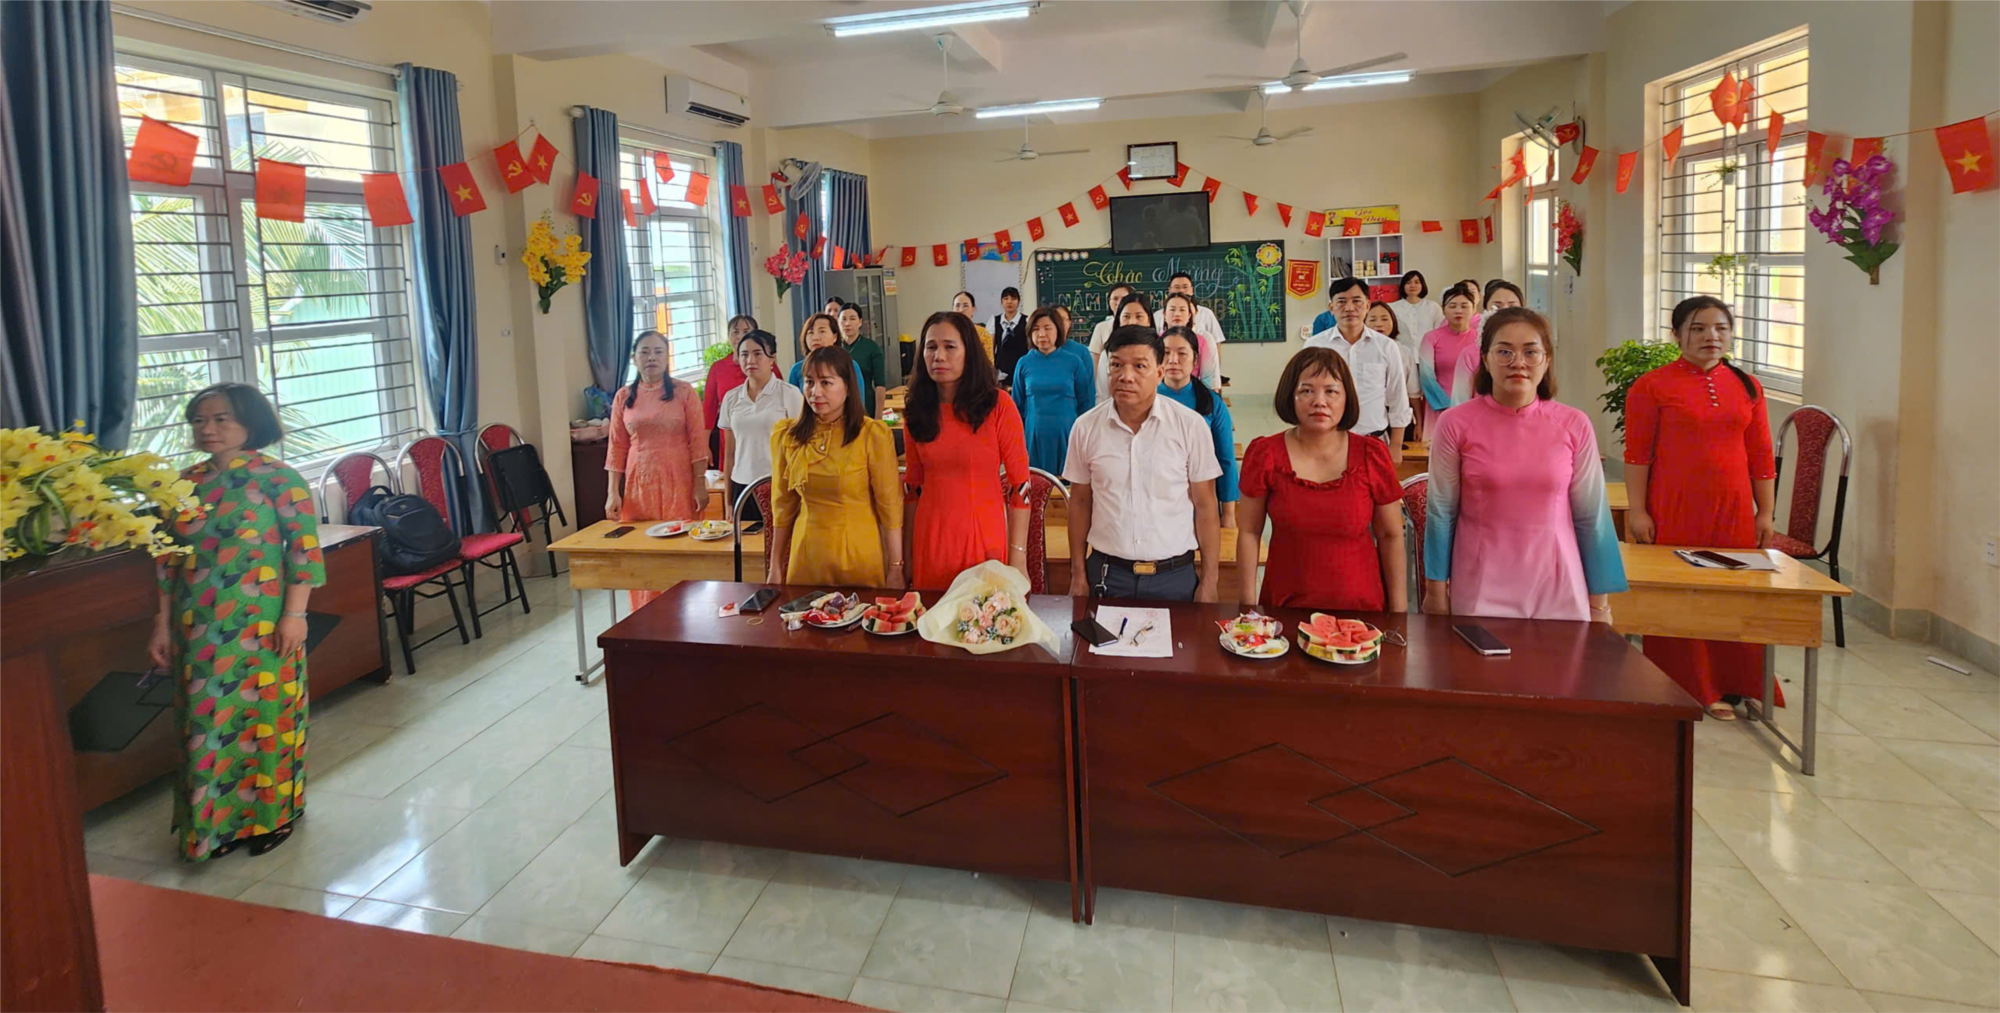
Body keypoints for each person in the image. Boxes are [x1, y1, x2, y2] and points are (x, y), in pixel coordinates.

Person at [150, 383, 323, 861]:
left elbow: (304, 552)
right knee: (204, 724)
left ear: (251, 421)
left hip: (263, 624)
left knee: (266, 720)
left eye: (220, 418)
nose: (207, 429)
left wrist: (295, 615)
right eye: (199, 420)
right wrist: (161, 623)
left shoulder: (280, 479)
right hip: (196, 626)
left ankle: (274, 816)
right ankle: (214, 827)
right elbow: (166, 560)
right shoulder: (181, 485)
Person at [1625, 296, 1778, 719]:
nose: (1711, 336)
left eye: (1720, 328)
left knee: (1736, 594)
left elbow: (1761, 454)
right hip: (1674, 506)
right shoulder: (1651, 386)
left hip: (1733, 508)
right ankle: (1692, 685)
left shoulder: (1748, 386)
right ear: (1676, 335)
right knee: (1683, 596)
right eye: (1698, 328)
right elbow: (1637, 455)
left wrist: (1765, 511)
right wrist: (1638, 510)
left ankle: (1740, 681)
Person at [1423, 307, 1626, 621]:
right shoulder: (1454, 424)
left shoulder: (1574, 424)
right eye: (1504, 351)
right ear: (1485, 359)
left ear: (1547, 360)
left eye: (1531, 352)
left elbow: (1592, 518)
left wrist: (1600, 605)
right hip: (1479, 584)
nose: (1518, 362)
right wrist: (1436, 592)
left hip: (1559, 584)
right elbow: (1440, 513)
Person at [1236, 349, 1407, 611]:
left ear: (1347, 398)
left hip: (1362, 611)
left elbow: (1391, 536)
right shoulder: (1265, 454)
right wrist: (1247, 607)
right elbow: (1249, 532)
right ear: (1290, 396)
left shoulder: (1372, 454)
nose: (1319, 401)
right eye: (1306, 391)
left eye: (1331, 391)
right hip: (1284, 608)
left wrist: (1399, 613)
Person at [1064, 325, 1223, 603]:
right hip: (1107, 575)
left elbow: (1205, 506)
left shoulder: (1190, 426)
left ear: (1159, 373)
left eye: (1139, 366)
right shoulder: (1085, 427)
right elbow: (1079, 502)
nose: (1126, 376)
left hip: (1174, 577)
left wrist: (1210, 581)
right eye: (1116, 365)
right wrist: (1078, 574)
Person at [901, 311, 1032, 590]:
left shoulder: (998, 405)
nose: (938, 356)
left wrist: (1018, 557)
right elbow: (912, 488)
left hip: (982, 535)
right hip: (930, 538)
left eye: (950, 347)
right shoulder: (916, 410)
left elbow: (1020, 487)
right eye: (931, 347)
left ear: (969, 352)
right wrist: (907, 556)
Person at [768, 344, 904, 588]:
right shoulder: (788, 435)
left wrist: (895, 567)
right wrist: (775, 565)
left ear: (848, 387)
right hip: (806, 554)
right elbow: (783, 505)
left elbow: (890, 506)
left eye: (826, 383)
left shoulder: (870, 434)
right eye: (809, 382)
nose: (815, 392)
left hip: (858, 555)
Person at [607, 330, 709, 610]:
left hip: (678, 479)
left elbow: (698, 441)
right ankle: (644, 616)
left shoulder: (684, 392)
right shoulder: (623, 397)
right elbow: (616, 446)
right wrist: (612, 492)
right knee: (643, 551)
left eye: (658, 352)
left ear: (667, 357)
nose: (651, 357)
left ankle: (685, 613)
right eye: (644, 352)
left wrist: (700, 482)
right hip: (638, 485)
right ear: (634, 358)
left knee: (679, 546)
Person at [1304, 277, 1410, 465]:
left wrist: (1396, 444)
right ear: (1331, 308)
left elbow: (1397, 396)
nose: (1349, 308)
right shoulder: (1314, 346)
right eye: (1341, 302)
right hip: (1327, 442)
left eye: (1356, 301)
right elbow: (1306, 396)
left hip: (1374, 440)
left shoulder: (1386, 346)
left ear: (1367, 305)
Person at [716, 327, 803, 525]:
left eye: (758, 354)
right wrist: (728, 502)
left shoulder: (789, 394)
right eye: (744, 354)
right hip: (741, 485)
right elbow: (729, 454)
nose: (750, 360)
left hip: (778, 484)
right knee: (746, 541)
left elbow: (800, 449)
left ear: (772, 358)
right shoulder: (731, 397)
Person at [1158, 324, 1239, 530]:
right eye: (1166, 353)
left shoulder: (1211, 402)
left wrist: (1228, 514)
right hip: (1157, 502)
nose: (1173, 360)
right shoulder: (1147, 399)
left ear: (1195, 360)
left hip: (1201, 503)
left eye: (1182, 353)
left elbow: (1226, 460)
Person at [1014, 306, 1095, 474]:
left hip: (1068, 435)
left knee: (1068, 484)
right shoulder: (1023, 363)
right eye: (1036, 329)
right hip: (1034, 437)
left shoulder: (1074, 361)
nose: (1041, 334)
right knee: (1037, 483)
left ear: (1058, 330)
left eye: (1047, 328)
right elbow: (1016, 406)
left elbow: (1085, 403)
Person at [1418, 285, 1480, 432]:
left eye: (1464, 306)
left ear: (1473, 309)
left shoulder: (1481, 338)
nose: (1458, 310)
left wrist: (1475, 404)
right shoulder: (1431, 338)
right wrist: (1446, 405)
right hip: (1440, 407)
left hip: (1474, 408)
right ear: (1444, 309)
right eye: (1452, 306)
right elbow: (1426, 377)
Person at [1452, 281, 1526, 403]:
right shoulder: (1470, 354)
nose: (1504, 312)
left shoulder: (1532, 353)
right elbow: (1458, 402)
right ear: (1485, 310)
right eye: (1496, 306)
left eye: (1512, 306)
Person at [702, 313, 756, 464]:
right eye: (735, 332)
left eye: (746, 331)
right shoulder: (718, 368)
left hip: (759, 434)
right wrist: (704, 444)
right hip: (730, 436)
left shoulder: (766, 365)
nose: (740, 336)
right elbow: (709, 408)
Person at [788, 312, 868, 398]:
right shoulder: (797, 369)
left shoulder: (849, 365)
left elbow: (858, 400)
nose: (815, 338)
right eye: (810, 332)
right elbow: (791, 403)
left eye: (822, 331)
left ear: (835, 337)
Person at [1094, 292, 1154, 402]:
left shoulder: (1159, 350)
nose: (1132, 322)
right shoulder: (1108, 354)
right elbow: (1102, 396)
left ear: (1149, 320)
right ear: (1119, 320)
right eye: (1126, 317)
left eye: (1139, 316)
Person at [1159, 292, 1220, 386]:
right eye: (1172, 309)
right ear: (1164, 314)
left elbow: (1207, 378)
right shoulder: (1155, 340)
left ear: (1189, 315)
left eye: (1182, 310)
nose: (1177, 314)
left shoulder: (1201, 341)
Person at [837, 302, 887, 418]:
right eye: (843, 319)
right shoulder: (834, 348)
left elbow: (880, 384)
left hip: (865, 405)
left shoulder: (871, 347)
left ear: (860, 322)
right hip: (839, 407)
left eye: (852, 319)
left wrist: (878, 418)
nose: (847, 323)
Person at [1155, 271, 1227, 348]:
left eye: (1185, 287)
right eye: (1177, 287)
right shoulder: (1157, 315)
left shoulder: (1206, 313)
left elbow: (1216, 341)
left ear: (1192, 290)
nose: (1181, 290)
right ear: (1169, 290)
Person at [1087, 282, 1137, 365]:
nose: (1119, 302)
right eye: (1115, 299)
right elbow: (1094, 360)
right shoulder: (1101, 327)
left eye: (1124, 298)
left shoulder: (1140, 324)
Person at [952, 290, 996, 359]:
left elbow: (988, 362)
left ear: (973, 309)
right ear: (952, 309)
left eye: (965, 306)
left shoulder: (983, 334)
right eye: (957, 306)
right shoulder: (946, 332)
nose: (961, 310)